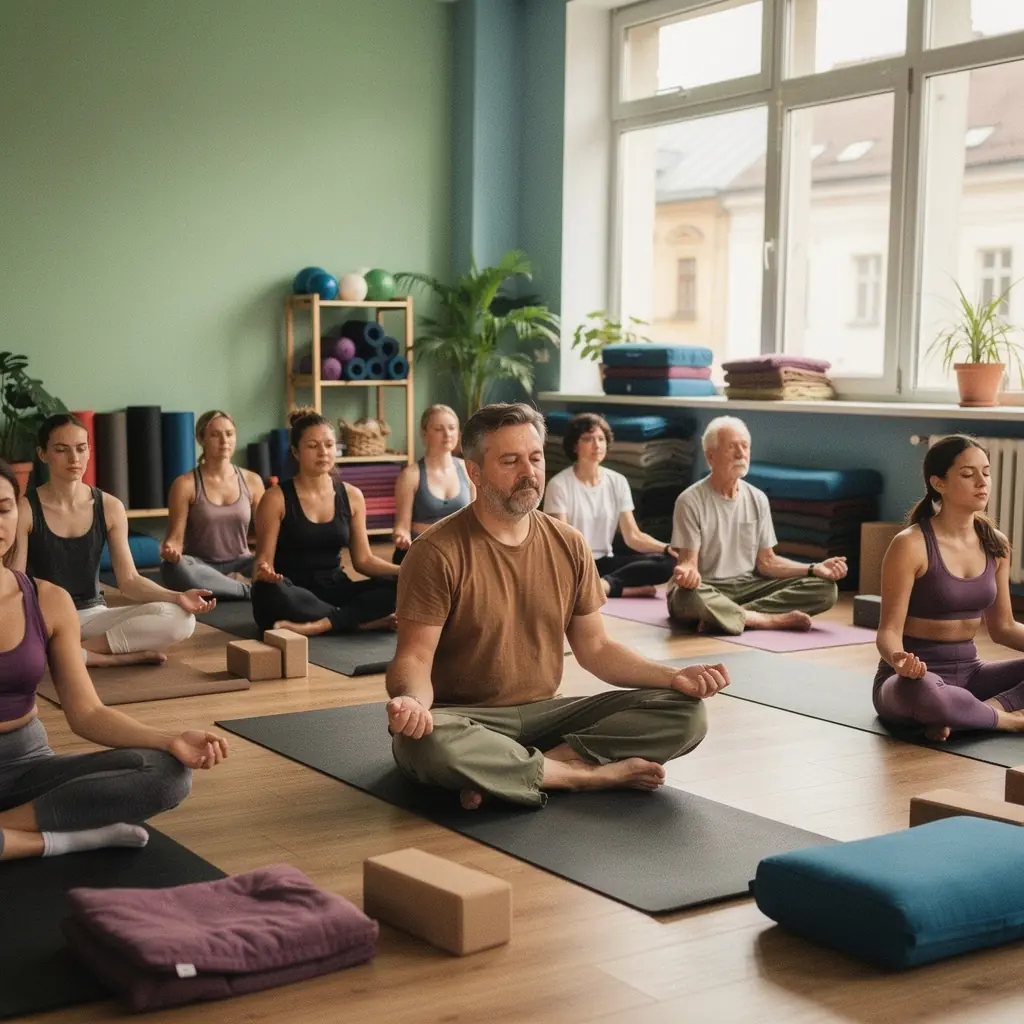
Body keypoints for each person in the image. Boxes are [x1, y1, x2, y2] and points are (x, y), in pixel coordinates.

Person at [384, 402, 729, 810]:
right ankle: (583, 776)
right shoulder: (435, 552)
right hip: (466, 720)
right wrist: (412, 704)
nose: (528, 473)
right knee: (424, 745)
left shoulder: (569, 543)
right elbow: (415, 658)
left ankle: (525, 771)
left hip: (547, 717)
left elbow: (596, 650)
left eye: (535, 458)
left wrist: (674, 677)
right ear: (474, 472)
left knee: (687, 714)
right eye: (510, 461)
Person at [0, 459, 228, 861]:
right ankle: (57, 838)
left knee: (166, 773)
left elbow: (87, 713)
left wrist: (169, 740)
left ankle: (9, 831)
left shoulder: (49, 601)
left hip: (27, 764)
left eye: (2, 509)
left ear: (16, 512)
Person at [14, 415, 215, 668]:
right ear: (43, 454)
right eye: (61, 450)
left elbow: (129, 581)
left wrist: (177, 597)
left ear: (89, 451)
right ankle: (105, 657)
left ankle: (73, 655)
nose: (74, 458)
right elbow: (16, 582)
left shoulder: (110, 507)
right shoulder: (25, 509)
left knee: (181, 619)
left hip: (91, 618)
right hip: (45, 619)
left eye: (81, 448)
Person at [875, 435, 1024, 739]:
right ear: (938, 483)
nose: (982, 482)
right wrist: (899, 660)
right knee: (928, 694)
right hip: (913, 680)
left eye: (986, 472)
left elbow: (1003, 627)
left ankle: (973, 714)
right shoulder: (910, 544)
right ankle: (1009, 720)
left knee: (944, 702)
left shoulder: (996, 544)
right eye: (968, 474)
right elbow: (888, 632)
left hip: (972, 673)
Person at [667, 415, 846, 634]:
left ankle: (730, 616)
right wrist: (687, 573)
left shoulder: (758, 498)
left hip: (749, 586)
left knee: (825, 589)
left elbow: (767, 562)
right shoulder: (690, 500)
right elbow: (689, 563)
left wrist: (813, 569)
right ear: (710, 456)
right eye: (732, 447)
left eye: (745, 446)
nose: (741, 454)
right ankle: (767, 619)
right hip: (707, 587)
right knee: (686, 597)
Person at [251, 408, 399, 636]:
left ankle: (321, 624)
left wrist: (405, 571)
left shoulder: (352, 496)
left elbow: (364, 561)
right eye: (312, 446)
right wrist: (264, 573)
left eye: (329, 445)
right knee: (266, 591)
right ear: (296, 452)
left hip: (336, 588)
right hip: (292, 591)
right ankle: (356, 621)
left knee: (400, 586)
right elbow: (263, 561)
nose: (323, 452)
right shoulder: (275, 498)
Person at [544, 412, 676, 597]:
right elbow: (563, 543)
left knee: (669, 562)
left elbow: (633, 536)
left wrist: (667, 548)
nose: (597, 445)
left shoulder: (618, 481)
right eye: (588, 439)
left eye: (601, 439)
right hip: (575, 564)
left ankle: (604, 587)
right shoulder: (559, 485)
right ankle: (619, 589)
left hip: (606, 563)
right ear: (575, 445)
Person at [160, 410, 264, 600]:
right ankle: (248, 590)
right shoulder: (185, 484)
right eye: (215, 435)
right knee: (172, 569)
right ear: (202, 440)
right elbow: (175, 538)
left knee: (283, 561)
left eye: (229, 434)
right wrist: (170, 550)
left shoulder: (253, 481)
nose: (224, 440)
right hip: (200, 566)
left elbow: (266, 535)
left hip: (243, 564)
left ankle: (230, 586)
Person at [392, 404, 475, 565]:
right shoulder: (410, 475)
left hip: (459, 553)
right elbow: (401, 526)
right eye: (438, 429)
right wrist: (401, 536)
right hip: (422, 553)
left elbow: (475, 520)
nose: (447, 434)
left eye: (452, 428)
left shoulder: (468, 470)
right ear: (424, 434)